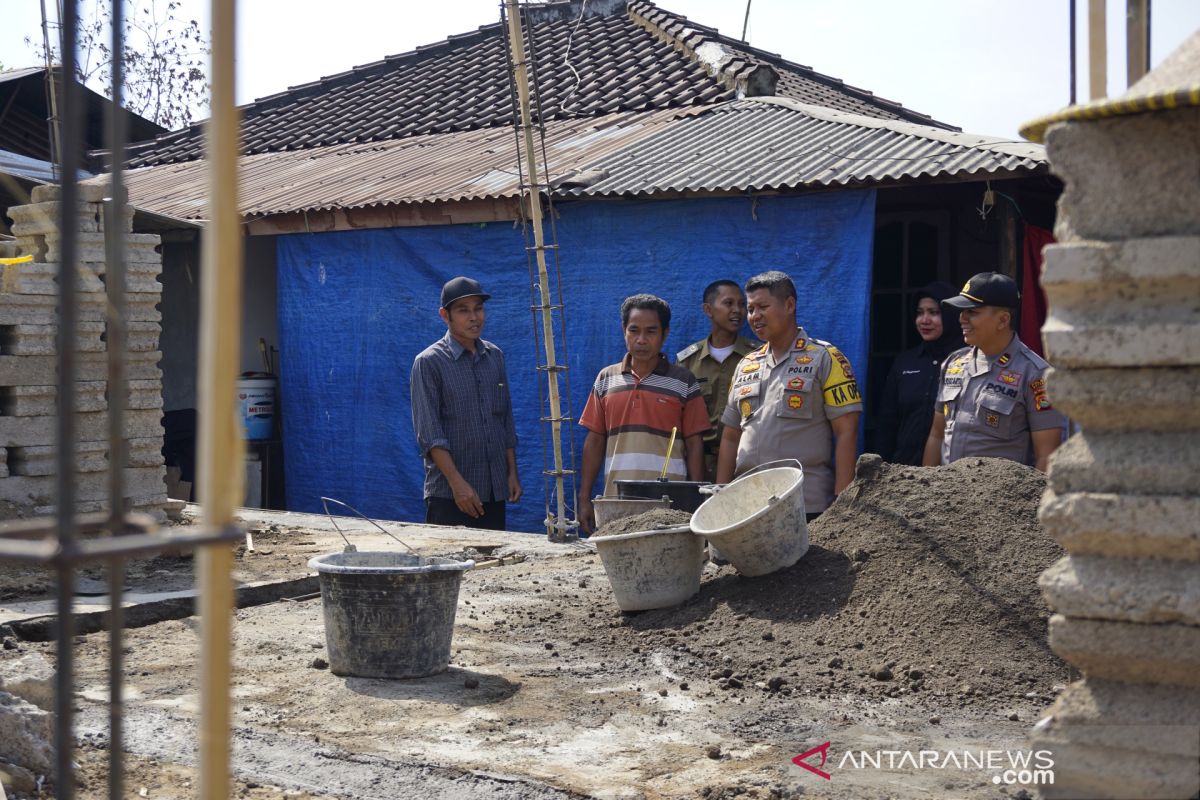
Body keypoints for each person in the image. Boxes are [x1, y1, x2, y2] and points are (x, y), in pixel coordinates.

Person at [715, 271, 862, 518]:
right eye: (751, 309)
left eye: (763, 307)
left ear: (790, 305)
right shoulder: (746, 364)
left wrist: (842, 501)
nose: (754, 316)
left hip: (806, 503)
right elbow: (731, 437)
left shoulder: (825, 358)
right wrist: (719, 497)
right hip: (748, 505)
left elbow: (846, 431)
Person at [576, 294, 709, 534]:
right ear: (623, 330)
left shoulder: (683, 381)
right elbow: (594, 440)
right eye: (634, 331)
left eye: (651, 332)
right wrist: (584, 498)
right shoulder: (606, 379)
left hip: (669, 504)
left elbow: (694, 443)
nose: (641, 340)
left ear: (665, 334)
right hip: (617, 501)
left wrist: (695, 498)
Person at [922, 272, 1066, 471]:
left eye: (972, 312)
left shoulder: (1035, 373)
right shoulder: (952, 363)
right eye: (961, 311)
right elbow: (936, 436)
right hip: (948, 496)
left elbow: (1047, 456)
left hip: (1002, 499)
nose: (962, 318)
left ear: (1003, 320)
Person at [410, 276, 521, 530]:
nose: (474, 317)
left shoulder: (495, 357)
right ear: (444, 315)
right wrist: (458, 485)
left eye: (478, 309)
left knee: (493, 567)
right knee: (450, 566)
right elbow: (429, 434)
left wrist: (511, 473)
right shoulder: (429, 362)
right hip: (449, 497)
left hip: (493, 491)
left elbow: (504, 420)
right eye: (463, 310)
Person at [675, 280, 758, 482]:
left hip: (744, 462)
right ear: (708, 309)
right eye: (728, 303)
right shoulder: (687, 362)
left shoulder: (757, 356)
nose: (737, 311)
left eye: (741, 305)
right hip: (698, 463)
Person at [876, 281, 965, 465]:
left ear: (951, 315)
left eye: (934, 313)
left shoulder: (967, 363)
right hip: (903, 474)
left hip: (954, 475)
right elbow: (887, 424)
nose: (924, 320)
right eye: (919, 313)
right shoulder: (905, 362)